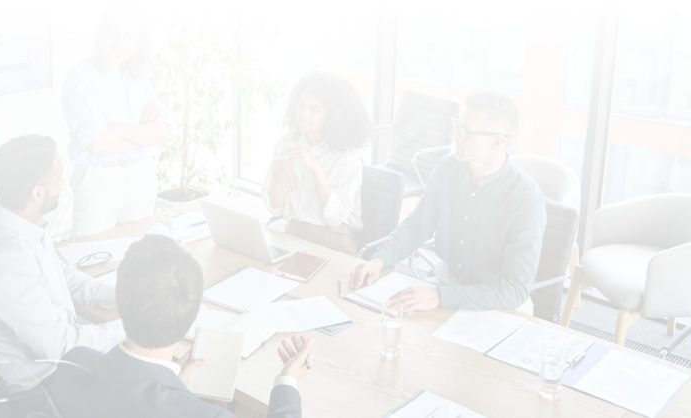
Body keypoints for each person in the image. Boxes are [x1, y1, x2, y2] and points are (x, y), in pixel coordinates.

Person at [48, 235, 312, 418]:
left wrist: (175, 386)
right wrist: (287, 381)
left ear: (120, 299)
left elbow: (130, 401)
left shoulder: (72, 365)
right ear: (192, 313)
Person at [350, 93, 547, 312]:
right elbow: (417, 226)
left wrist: (441, 297)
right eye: (457, 126)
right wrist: (380, 260)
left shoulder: (526, 199)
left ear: (499, 141)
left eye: (467, 132)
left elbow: (514, 290)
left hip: (497, 303)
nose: (456, 136)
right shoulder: (448, 168)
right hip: (446, 283)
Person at [0, 135, 124, 394]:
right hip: (44, 383)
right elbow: (61, 348)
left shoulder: (17, 224)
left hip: (57, 354)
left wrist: (117, 294)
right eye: (59, 177)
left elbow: (60, 276)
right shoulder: (6, 262)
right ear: (38, 193)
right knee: (148, 373)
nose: (65, 183)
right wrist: (136, 325)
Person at [61, 12, 171, 237]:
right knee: (93, 258)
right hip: (99, 178)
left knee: (140, 254)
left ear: (139, 43)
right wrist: (141, 133)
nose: (121, 42)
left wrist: (116, 129)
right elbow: (98, 143)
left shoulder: (138, 78)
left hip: (139, 174)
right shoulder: (80, 78)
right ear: (102, 35)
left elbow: (160, 133)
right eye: (115, 33)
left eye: (129, 36)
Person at [263, 73, 371, 254]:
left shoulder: (347, 157)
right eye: (301, 106)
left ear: (332, 115)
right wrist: (277, 176)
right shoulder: (286, 143)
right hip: (294, 232)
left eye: (315, 109)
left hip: (334, 239)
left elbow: (335, 218)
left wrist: (315, 169)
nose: (303, 114)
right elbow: (275, 209)